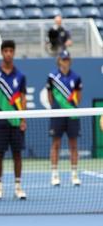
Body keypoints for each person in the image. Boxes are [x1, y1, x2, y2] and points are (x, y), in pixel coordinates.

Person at [0, 40, 27, 200]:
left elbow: (23, 98)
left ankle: (18, 187)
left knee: (17, 154)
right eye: (5, 51)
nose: (8, 54)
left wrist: (23, 119)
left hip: (16, 121)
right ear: (1, 53)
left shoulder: (20, 76)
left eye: (11, 51)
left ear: (14, 52)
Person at [46, 49, 82, 186]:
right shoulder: (52, 77)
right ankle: (55, 175)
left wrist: (71, 107)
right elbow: (49, 96)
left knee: (73, 144)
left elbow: (79, 96)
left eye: (67, 60)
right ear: (59, 61)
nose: (65, 62)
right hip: (57, 115)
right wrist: (55, 108)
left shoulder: (76, 77)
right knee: (56, 144)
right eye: (63, 59)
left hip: (72, 115)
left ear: (70, 61)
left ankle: (74, 174)